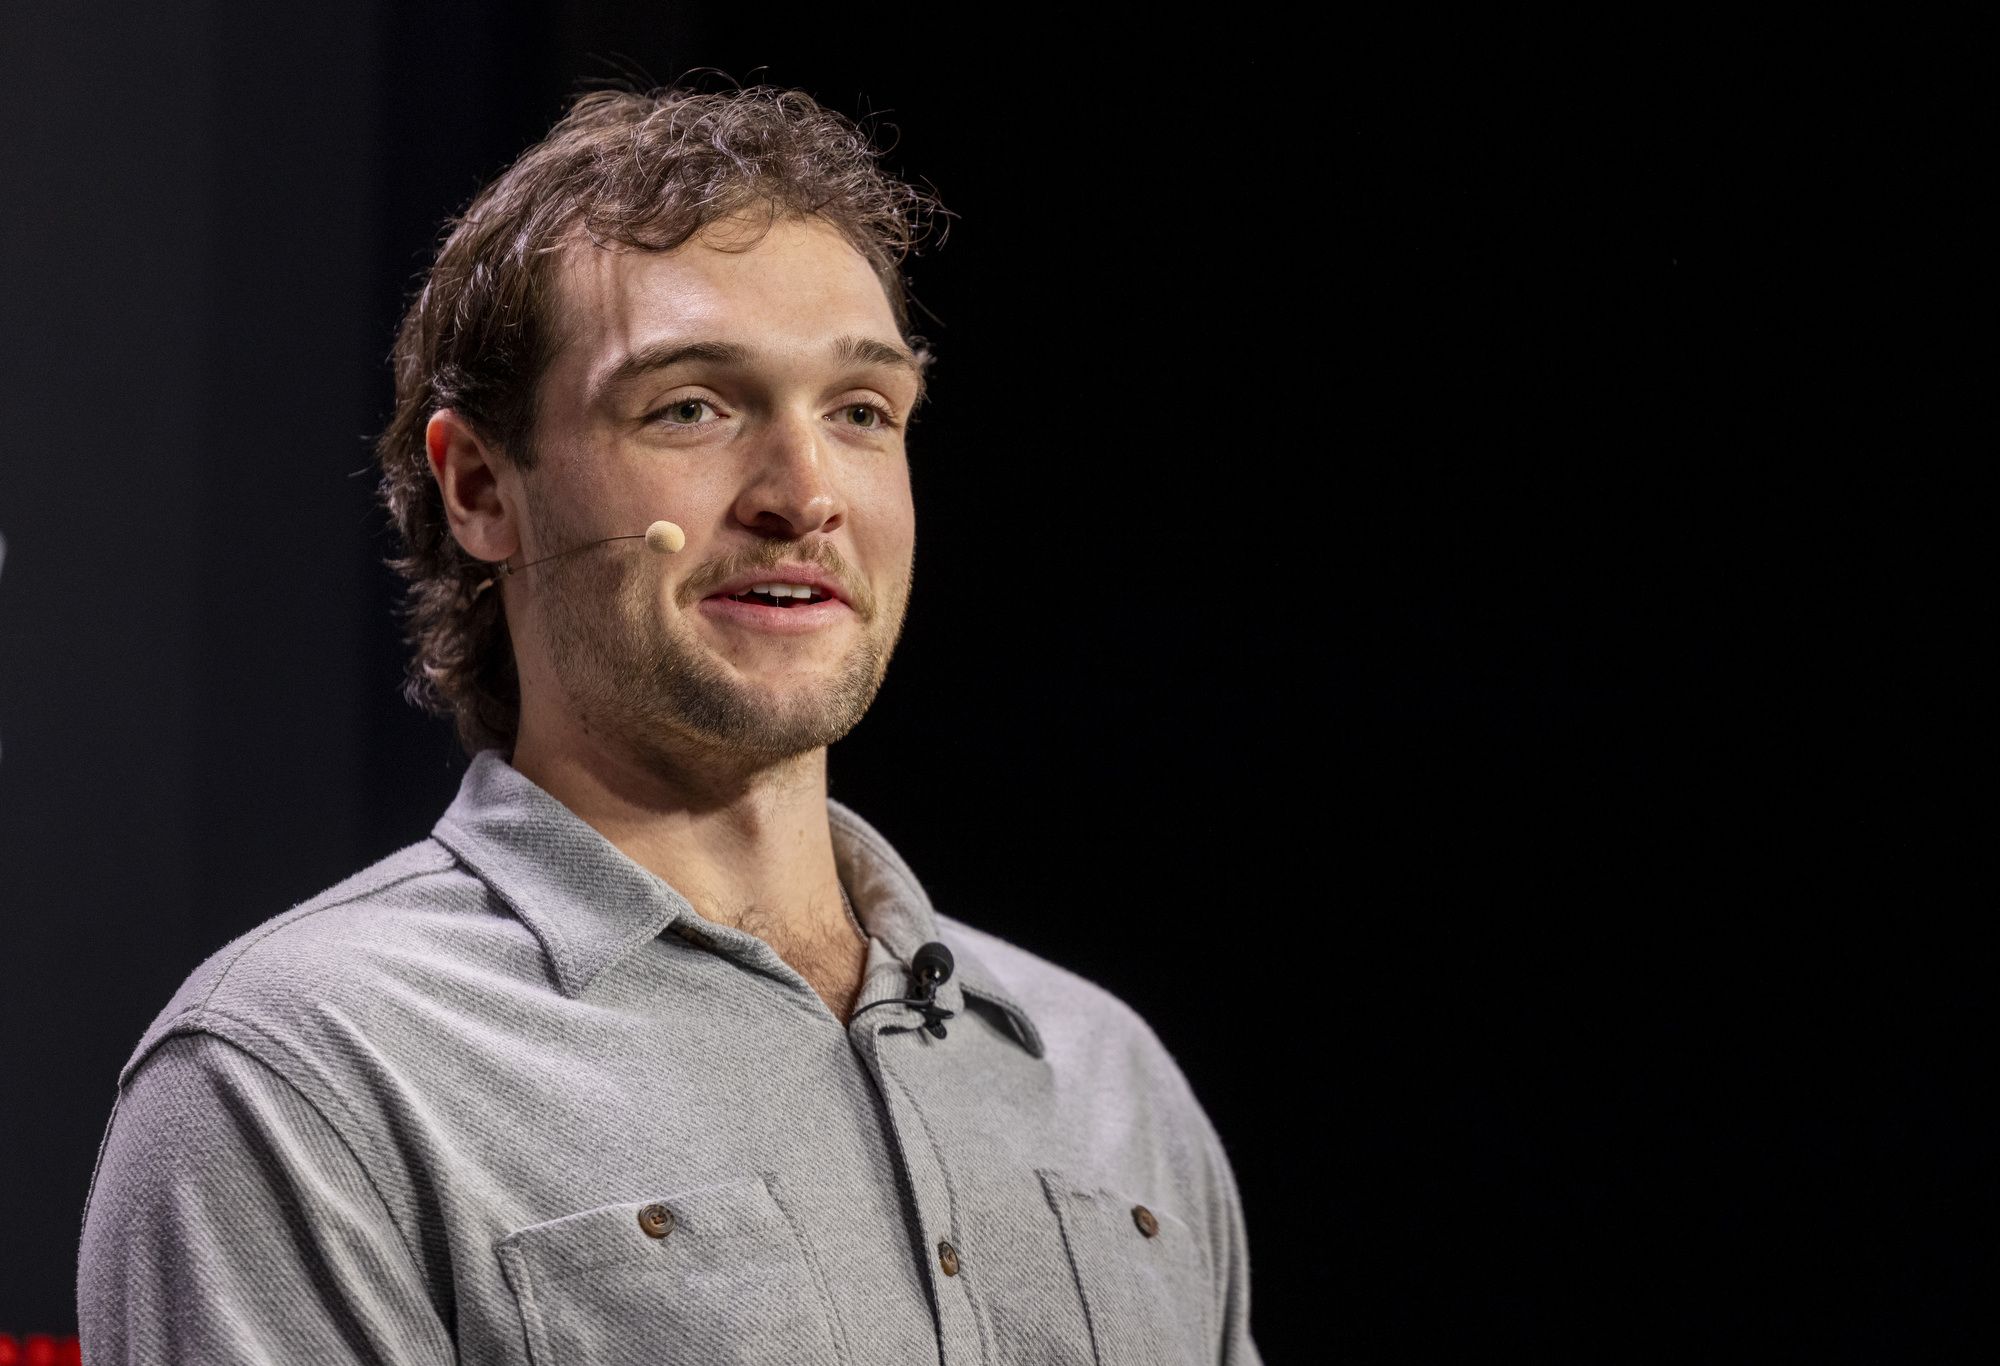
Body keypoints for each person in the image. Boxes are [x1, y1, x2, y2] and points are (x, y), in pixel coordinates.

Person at [77, 86, 1260, 1364]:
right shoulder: (302, 1078)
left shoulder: (1105, 1080)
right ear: (480, 487)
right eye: (690, 406)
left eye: (861, 411)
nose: (805, 494)